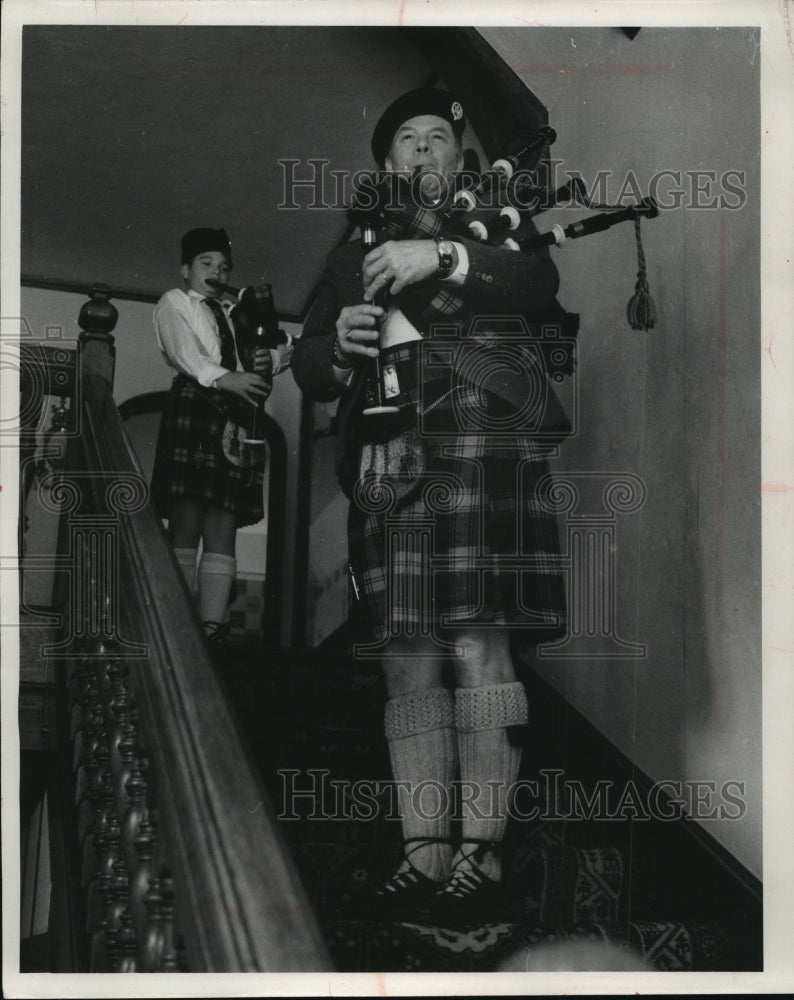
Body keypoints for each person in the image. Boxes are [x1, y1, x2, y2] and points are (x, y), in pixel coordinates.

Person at [292, 89, 572, 921]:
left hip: (481, 438)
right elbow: (308, 362)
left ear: (460, 158)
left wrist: (443, 259)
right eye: (406, 141)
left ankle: (482, 856)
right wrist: (334, 350)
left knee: (479, 642)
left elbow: (538, 284)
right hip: (390, 450)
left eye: (438, 138)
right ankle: (424, 851)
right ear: (388, 165)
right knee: (406, 651)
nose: (422, 151)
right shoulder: (349, 256)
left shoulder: (501, 224)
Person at [151, 227, 288, 642]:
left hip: (235, 419)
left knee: (223, 526)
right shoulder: (176, 302)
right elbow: (184, 352)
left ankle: (210, 627)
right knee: (187, 520)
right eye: (207, 264)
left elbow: (278, 350)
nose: (217, 271)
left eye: (224, 266)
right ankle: (176, 623)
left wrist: (272, 356)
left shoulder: (234, 313)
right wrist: (226, 378)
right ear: (186, 269)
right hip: (198, 406)